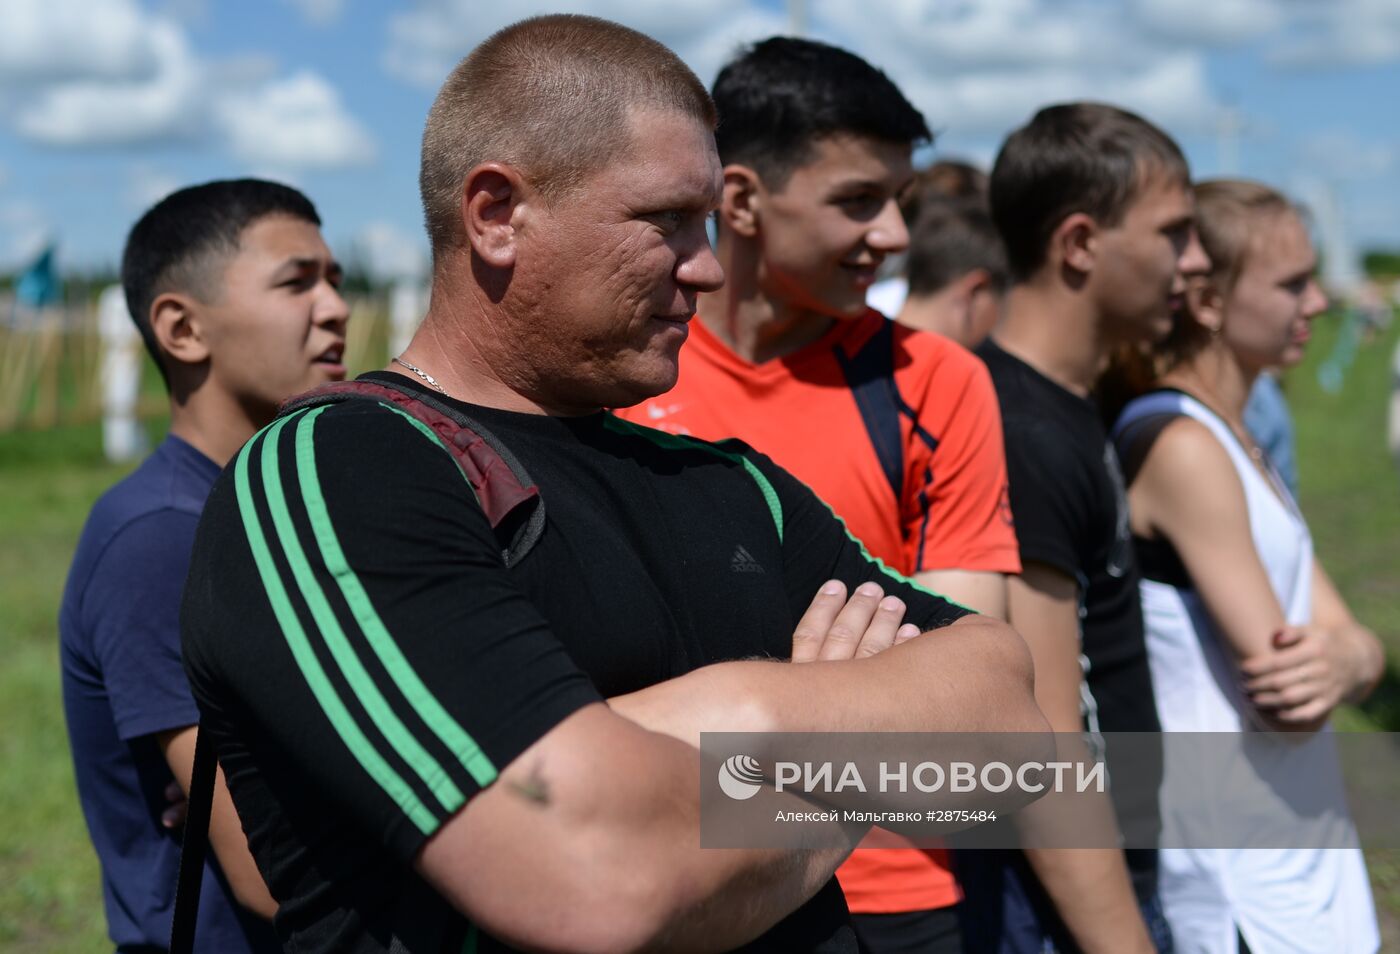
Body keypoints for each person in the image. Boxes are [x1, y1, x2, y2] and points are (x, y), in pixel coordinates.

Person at [178, 16, 1049, 954]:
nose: (709, 266)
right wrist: (839, 759)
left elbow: (1010, 746)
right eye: (666, 220)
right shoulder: (340, 468)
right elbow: (595, 877)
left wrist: (690, 730)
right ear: (497, 215)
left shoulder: (732, 483)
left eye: (709, 221)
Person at [614, 37, 1019, 953]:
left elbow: (962, 698)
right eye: (858, 202)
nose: (897, 236)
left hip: (902, 896)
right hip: (680, 886)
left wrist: (740, 719)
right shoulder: (621, 380)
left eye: (901, 203)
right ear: (743, 199)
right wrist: (829, 700)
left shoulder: (934, 380)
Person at [59, 179, 350, 953]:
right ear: (183, 329)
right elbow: (267, 868)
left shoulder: (293, 510)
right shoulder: (160, 540)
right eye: (297, 281)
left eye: (335, 280)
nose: (335, 308)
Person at [961, 102, 1213, 954]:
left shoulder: (1069, 405)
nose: (1198, 260)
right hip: (1069, 908)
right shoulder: (1019, 434)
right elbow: (1043, 740)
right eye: (1175, 234)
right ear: (1078, 245)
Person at [1110, 179, 1382, 954]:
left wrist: (1352, 654)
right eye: (1292, 283)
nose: (1320, 302)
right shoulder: (1184, 445)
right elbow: (1291, 693)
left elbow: (1347, 640)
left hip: (1288, 834)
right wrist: (1345, 656)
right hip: (1239, 864)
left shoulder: (1233, 436)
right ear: (1207, 300)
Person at [891, 196, 1009, 346]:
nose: (994, 332)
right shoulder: (965, 368)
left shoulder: (860, 349)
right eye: (1001, 310)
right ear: (975, 292)